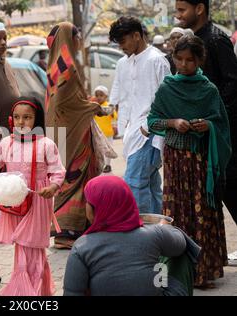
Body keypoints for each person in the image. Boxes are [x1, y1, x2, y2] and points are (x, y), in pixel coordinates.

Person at [148, 35, 231, 289]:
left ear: (199, 61)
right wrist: (173, 122)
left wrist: (207, 125)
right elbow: (152, 121)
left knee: (201, 211)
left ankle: (202, 272)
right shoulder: (167, 88)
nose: (183, 65)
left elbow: (220, 123)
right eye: (179, 59)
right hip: (175, 160)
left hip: (200, 162)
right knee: (177, 214)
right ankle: (174, 274)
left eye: (189, 61)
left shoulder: (209, 90)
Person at [0, 97, 66, 295]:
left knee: (30, 244)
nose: (21, 122)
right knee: (25, 246)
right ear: (11, 119)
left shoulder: (47, 144)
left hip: (38, 201)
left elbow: (58, 172)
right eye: (17, 117)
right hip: (15, 202)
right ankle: (38, 289)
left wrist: (52, 187)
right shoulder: (6, 143)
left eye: (27, 117)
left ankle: (25, 292)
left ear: (37, 119)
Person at [63, 175, 200, 296]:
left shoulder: (82, 247)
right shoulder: (152, 235)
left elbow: (71, 293)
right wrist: (163, 228)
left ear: (95, 210)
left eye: (88, 202)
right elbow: (181, 243)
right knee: (181, 254)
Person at [175, 0, 237, 242]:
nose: (178, 15)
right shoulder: (195, 39)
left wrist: (216, 122)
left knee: (230, 188)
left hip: (221, 135)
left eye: (182, 10)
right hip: (202, 135)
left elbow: (232, 84)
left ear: (199, 9)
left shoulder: (215, 39)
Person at [45, 22, 107, 249]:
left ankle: (66, 230)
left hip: (62, 130)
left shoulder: (55, 64)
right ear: (71, 39)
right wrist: (91, 107)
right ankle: (66, 232)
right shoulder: (67, 67)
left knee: (66, 178)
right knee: (74, 179)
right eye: (78, 37)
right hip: (74, 133)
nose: (80, 42)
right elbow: (66, 102)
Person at [109, 16, 171, 214]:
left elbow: (167, 99)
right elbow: (122, 94)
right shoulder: (124, 63)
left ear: (137, 35)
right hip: (132, 131)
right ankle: (158, 232)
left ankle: (140, 231)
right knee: (150, 184)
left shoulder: (157, 60)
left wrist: (150, 126)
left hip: (149, 132)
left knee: (134, 183)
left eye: (123, 42)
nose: (121, 47)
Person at [93, 85, 117, 173]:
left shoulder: (108, 106)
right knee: (99, 150)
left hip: (108, 132)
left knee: (107, 150)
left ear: (106, 96)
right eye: (97, 95)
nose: (98, 97)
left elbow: (114, 116)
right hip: (98, 133)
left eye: (101, 95)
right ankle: (101, 164)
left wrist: (115, 127)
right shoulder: (94, 107)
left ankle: (108, 165)